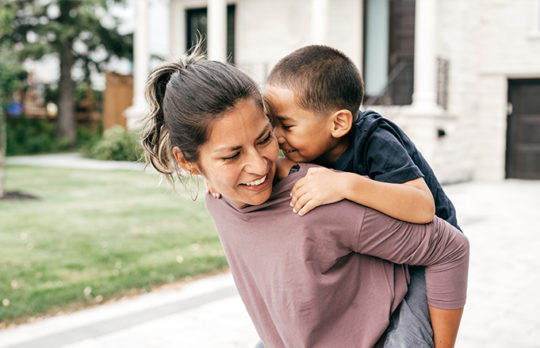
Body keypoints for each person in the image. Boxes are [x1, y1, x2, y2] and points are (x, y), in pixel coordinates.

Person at [141, 53, 469, 348]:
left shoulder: (359, 157)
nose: (260, 165)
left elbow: (435, 226)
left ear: (338, 123)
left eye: (265, 137)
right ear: (189, 163)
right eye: (231, 155)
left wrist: (345, 184)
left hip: (424, 242)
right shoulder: (221, 198)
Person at [263, 45, 463, 347]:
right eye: (272, 123)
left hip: (427, 257)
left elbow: (422, 206)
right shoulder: (308, 145)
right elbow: (279, 170)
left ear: (338, 124)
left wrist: (345, 184)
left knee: (406, 339)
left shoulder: (375, 139)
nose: (277, 136)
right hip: (380, 251)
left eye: (287, 125)